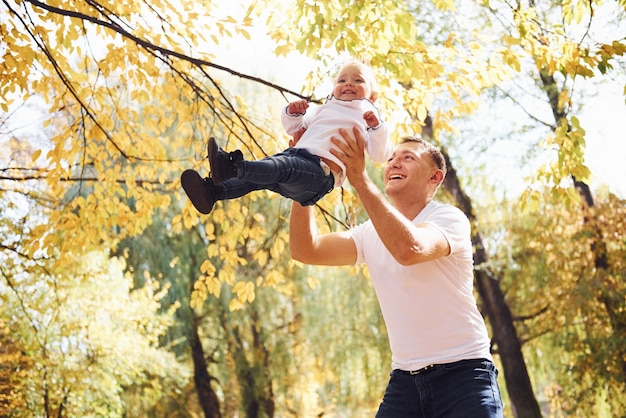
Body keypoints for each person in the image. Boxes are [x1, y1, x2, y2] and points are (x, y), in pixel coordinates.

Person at [289, 127, 504, 417]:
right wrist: (302, 191)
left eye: (408, 158)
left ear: (435, 177)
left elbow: (409, 250)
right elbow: (306, 249)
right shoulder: (370, 233)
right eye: (391, 159)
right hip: (405, 381)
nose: (394, 163)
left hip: (464, 374)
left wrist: (360, 180)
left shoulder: (449, 219)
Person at [181, 60, 392, 214]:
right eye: (342, 80)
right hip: (297, 157)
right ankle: (213, 192)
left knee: (281, 166)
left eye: (358, 80)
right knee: (259, 178)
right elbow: (294, 128)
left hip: (319, 173)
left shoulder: (367, 117)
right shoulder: (324, 110)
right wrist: (293, 112)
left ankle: (232, 167)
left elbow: (380, 155)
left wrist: (376, 128)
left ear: (372, 96)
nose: (348, 84)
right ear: (334, 88)